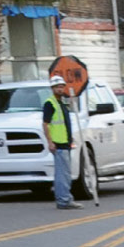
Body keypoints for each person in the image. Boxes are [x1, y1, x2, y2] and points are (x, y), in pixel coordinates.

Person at [44, 75, 80, 209]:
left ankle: (65, 198)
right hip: (58, 144)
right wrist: (50, 142)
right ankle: (64, 200)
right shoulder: (50, 103)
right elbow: (45, 124)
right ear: (52, 88)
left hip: (65, 142)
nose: (60, 89)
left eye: (61, 86)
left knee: (64, 173)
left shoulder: (62, 103)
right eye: (57, 87)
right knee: (62, 174)